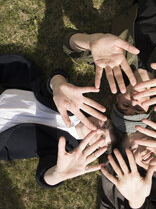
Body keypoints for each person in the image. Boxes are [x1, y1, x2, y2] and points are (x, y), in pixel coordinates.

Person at [0, 54, 116, 188]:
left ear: (96, 148)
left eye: (101, 137)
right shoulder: (75, 105)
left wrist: (58, 174)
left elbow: (44, 177)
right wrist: (58, 85)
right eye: (105, 124)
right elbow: (57, 76)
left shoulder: (67, 150)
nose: (98, 129)